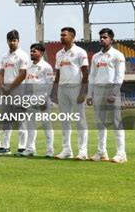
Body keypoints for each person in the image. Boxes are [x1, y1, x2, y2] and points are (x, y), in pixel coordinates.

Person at [87, 28, 127, 163]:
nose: (102, 39)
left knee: (116, 122)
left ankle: (121, 153)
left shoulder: (118, 55)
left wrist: (114, 93)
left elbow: (119, 76)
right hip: (98, 90)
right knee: (100, 123)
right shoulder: (95, 56)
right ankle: (101, 152)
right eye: (101, 37)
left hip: (111, 89)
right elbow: (92, 76)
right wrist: (89, 94)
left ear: (111, 39)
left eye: (105, 37)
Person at [52, 27, 89, 160]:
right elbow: (58, 73)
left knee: (80, 120)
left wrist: (83, 92)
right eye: (61, 35)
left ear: (72, 36)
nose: (61, 37)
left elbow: (85, 72)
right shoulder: (59, 54)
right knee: (64, 120)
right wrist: (54, 92)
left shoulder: (80, 52)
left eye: (64, 35)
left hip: (76, 88)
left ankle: (82, 151)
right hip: (62, 88)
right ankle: (66, 149)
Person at [0, 30, 30, 156]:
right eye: (10, 40)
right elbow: (1, 73)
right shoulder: (4, 56)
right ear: (7, 41)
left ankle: (22, 147)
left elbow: (22, 74)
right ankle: (5, 147)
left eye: (14, 40)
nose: (12, 42)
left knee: (20, 120)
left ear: (18, 41)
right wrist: (1, 86)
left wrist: (9, 87)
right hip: (6, 91)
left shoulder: (23, 55)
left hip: (18, 90)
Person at [21, 43, 54, 157]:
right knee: (31, 125)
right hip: (30, 99)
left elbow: (50, 84)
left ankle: (50, 150)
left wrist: (45, 99)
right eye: (31, 51)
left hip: (42, 99)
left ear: (41, 52)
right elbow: (27, 84)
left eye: (34, 51)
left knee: (46, 125)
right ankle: (30, 149)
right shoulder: (29, 67)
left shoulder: (46, 67)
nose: (31, 53)